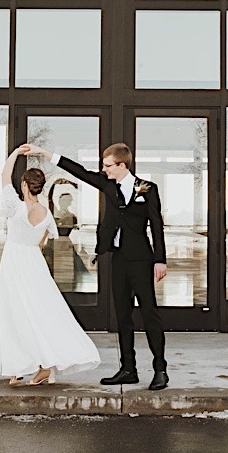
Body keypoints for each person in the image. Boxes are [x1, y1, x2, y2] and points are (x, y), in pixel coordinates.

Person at [24, 142, 169, 391]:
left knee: (149, 314)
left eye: (108, 166)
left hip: (141, 260)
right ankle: (128, 369)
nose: (104, 170)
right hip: (118, 259)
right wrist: (48, 154)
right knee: (122, 316)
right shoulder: (107, 185)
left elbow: (156, 224)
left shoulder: (146, 188)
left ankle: (160, 370)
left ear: (122, 165)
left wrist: (160, 259)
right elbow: (78, 171)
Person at [0, 145, 101, 386]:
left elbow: (3, 175)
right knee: (38, 312)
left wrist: (16, 153)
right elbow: (41, 243)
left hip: (14, 263)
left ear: (24, 186)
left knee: (12, 313)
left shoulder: (14, 206)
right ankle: (39, 366)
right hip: (34, 266)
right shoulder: (47, 215)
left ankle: (20, 368)